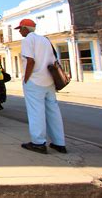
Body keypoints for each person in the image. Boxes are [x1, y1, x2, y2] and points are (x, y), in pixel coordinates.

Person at [16, 19, 67, 154]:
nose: (20, 31)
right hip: (49, 81)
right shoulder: (45, 40)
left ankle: (38, 143)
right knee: (53, 111)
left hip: (35, 81)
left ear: (25, 28)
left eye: (20, 29)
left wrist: (26, 79)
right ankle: (59, 142)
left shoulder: (28, 40)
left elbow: (30, 61)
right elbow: (54, 59)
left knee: (36, 112)